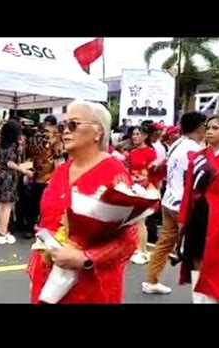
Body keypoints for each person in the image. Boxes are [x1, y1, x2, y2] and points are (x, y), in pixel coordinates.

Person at [27, 101, 137, 303]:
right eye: (63, 126)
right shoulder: (61, 170)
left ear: (98, 132)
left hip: (90, 285)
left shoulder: (114, 173)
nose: (65, 132)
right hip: (48, 277)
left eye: (73, 125)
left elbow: (128, 239)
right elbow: (47, 221)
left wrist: (87, 258)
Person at [177, 114, 219, 303]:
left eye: (216, 128)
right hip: (196, 215)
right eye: (208, 127)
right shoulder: (198, 158)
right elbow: (188, 191)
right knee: (196, 259)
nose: (209, 131)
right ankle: (200, 299)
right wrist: (182, 219)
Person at [142, 112, 206, 294]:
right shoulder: (193, 149)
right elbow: (195, 180)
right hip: (183, 204)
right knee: (199, 247)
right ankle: (202, 289)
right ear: (200, 127)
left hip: (169, 200)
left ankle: (151, 281)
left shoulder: (177, 144)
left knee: (164, 244)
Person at [0, 120, 33, 245]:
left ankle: (1, 231)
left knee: (2, 205)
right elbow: (10, 163)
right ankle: (3, 232)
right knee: (7, 205)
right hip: (9, 176)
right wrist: (24, 171)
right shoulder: (12, 146)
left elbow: (0, 162)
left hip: (0, 175)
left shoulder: (0, 144)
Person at [25, 120, 62, 239]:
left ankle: (42, 229)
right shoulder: (36, 141)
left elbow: (58, 159)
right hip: (37, 176)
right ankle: (31, 227)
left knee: (45, 206)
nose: (48, 134)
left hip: (49, 178)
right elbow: (30, 156)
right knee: (34, 204)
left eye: (51, 132)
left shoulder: (57, 143)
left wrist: (57, 176)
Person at [127, 125, 157, 265]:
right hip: (134, 187)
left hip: (145, 188)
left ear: (145, 136)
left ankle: (142, 250)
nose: (135, 137)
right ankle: (139, 249)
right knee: (135, 221)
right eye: (133, 134)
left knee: (141, 221)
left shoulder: (150, 152)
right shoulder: (132, 152)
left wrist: (144, 181)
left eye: (138, 134)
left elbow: (152, 172)